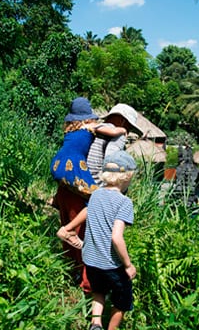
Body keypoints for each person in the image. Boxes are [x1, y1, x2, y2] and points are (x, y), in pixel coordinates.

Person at [50, 97, 126, 290]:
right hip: (74, 166)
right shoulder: (89, 128)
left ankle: (56, 201)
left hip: (59, 165)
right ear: (87, 119)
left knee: (71, 195)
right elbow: (108, 130)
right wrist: (120, 130)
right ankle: (68, 230)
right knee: (96, 200)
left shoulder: (70, 131)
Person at [57, 103, 140, 248]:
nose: (128, 131)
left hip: (73, 179)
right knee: (93, 212)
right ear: (123, 121)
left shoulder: (91, 128)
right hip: (93, 182)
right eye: (130, 127)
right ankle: (68, 230)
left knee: (70, 251)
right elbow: (111, 159)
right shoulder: (118, 134)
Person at [83, 150, 137, 330]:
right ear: (127, 177)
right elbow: (116, 237)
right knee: (122, 300)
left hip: (91, 260)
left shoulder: (96, 194)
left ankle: (95, 324)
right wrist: (128, 265)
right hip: (111, 263)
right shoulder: (124, 202)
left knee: (99, 291)